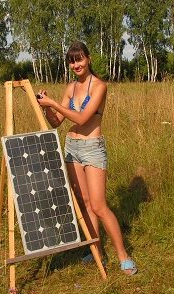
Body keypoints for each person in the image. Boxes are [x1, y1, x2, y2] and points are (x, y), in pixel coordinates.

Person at [36, 41, 137, 275]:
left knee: (100, 205)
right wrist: (46, 106)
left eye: (79, 59)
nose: (76, 64)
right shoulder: (70, 88)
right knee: (85, 204)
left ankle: (123, 256)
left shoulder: (99, 86)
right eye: (71, 61)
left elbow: (81, 119)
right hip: (72, 147)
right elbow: (56, 122)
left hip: (92, 148)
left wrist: (53, 104)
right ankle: (96, 251)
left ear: (88, 59)